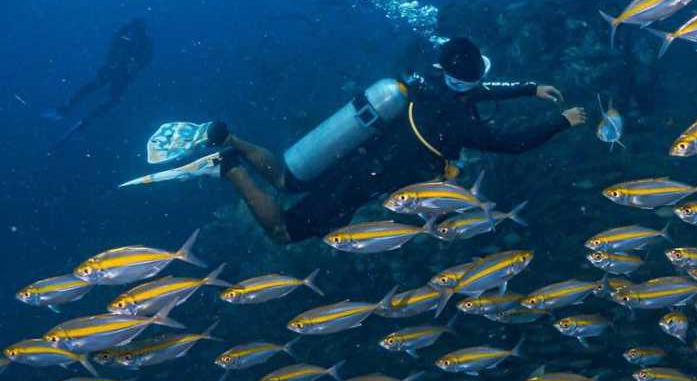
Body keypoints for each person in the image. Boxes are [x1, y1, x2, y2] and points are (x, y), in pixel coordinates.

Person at [208, 37, 586, 244]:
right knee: (283, 232)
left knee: (286, 178)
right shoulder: (463, 125)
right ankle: (229, 168)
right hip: (361, 182)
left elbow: (476, 90)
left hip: (348, 149)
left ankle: (230, 139)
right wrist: (562, 122)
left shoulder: (427, 79)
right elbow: (514, 142)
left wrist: (529, 89)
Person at [48, 18, 153, 140]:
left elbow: (142, 59)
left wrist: (125, 65)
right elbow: (142, 59)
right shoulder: (135, 38)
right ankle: (80, 115)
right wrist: (128, 65)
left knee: (100, 91)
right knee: (108, 96)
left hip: (117, 70)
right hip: (118, 70)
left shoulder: (132, 37)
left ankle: (76, 112)